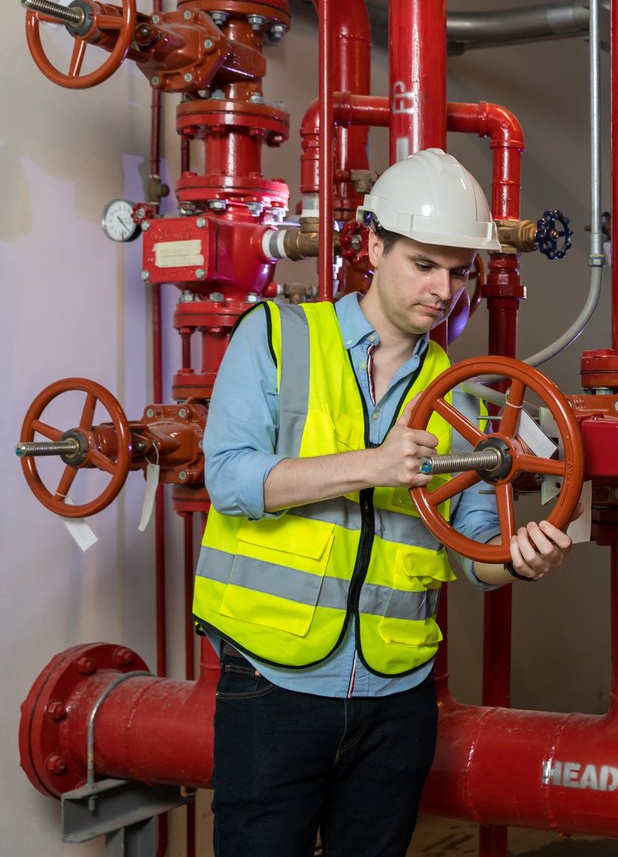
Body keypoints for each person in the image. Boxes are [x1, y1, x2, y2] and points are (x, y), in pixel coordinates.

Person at [193, 148, 576, 856]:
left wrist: (515, 561)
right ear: (373, 247)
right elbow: (233, 481)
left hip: (396, 691)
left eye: (461, 272)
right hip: (274, 681)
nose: (445, 289)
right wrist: (370, 466)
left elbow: (473, 546)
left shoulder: (459, 390)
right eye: (424, 264)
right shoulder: (278, 338)